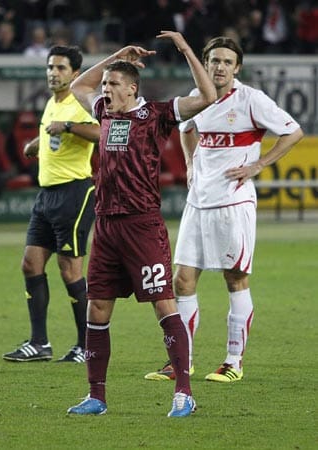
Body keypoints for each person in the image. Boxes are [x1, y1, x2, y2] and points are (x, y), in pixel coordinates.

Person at [66, 31, 217, 417]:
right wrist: (117, 55)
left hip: (142, 225)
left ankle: (183, 392)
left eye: (113, 84)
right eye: (105, 85)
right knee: (97, 308)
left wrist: (185, 48)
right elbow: (77, 85)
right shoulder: (103, 111)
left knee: (164, 305)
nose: (105, 89)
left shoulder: (157, 114)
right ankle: (96, 396)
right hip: (107, 226)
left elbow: (207, 97)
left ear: (133, 89)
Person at [145, 36, 304, 383]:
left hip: (233, 203)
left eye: (226, 62)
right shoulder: (198, 97)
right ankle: (181, 361)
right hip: (197, 201)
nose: (219, 67)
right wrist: (189, 161)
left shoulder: (251, 100)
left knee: (235, 278)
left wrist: (259, 165)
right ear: (205, 64)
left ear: (237, 68)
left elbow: (293, 132)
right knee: (182, 281)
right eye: (213, 61)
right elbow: (186, 129)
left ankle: (234, 361)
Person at [3, 45, 100, 363]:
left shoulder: (82, 102)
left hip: (75, 192)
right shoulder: (51, 103)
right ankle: (39, 343)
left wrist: (70, 127)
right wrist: (37, 143)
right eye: (50, 67)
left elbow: (102, 132)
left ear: (75, 73)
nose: (53, 73)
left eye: (60, 68)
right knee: (30, 264)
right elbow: (52, 136)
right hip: (46, 195)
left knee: (70, 269)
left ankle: (86, 346)